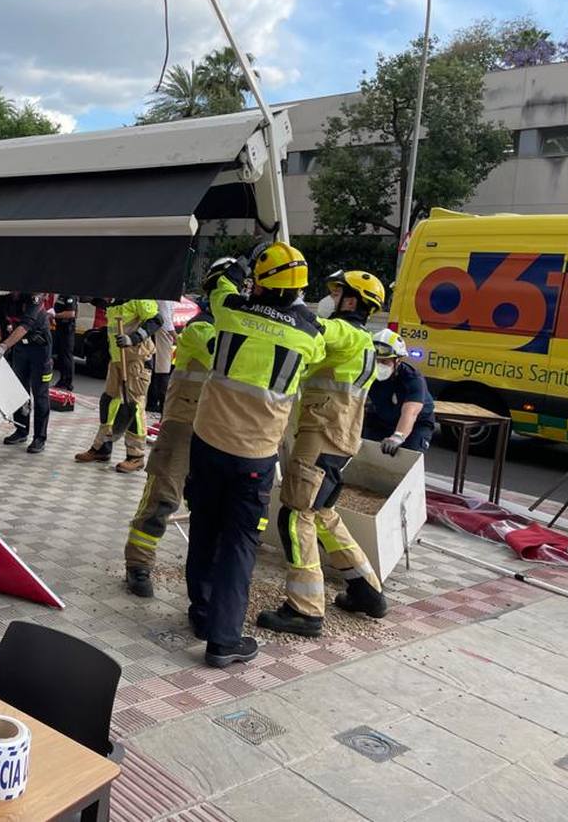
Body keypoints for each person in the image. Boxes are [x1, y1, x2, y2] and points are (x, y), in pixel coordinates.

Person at [185, 243, 368, 668]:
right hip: (255, 457)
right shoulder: (308, 334)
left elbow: (220, 287)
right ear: (300, 289)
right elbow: (337, 345)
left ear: (259, 285)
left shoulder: (229, 309)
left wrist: (238, 270)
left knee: (204, 527)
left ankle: (202, 613)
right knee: (239, 543)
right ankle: (224, 640)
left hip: (208, 443)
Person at [257, 270, 389, 638]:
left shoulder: (346, 333)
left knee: (294, 515)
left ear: (351, 301)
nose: (330, 297)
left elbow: (310, 326)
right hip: (338, 438)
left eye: (337, 292)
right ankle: (367, 590)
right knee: (321, 514)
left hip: (323, 436)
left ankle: (305, 610)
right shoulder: (363, 342)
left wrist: (286, 300)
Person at [123, 262, 230, 598]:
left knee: (207, 506)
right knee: (162, 498)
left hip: (216, 430)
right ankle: (139, 564)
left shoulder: (230, 331)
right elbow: (227, 361)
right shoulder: (203, 330)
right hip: (182, 428)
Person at [74, 297, 162, 473]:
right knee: (109, 402)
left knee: (133, 407)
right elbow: (102, 303)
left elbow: (157, 320)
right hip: (117, 360)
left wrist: (133, 338)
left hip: (136, 361)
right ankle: (102, 448)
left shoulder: (140, 297)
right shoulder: (116, 299)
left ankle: (135, 456)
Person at [0, 291, 54, 454]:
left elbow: (25, 325)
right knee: (19, 390)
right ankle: (21, 430)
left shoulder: (34, 296)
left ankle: (39, 438)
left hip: (40, 349)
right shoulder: (3, 297)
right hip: (20, 348)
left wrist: (3, 346)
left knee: (40, 393)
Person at [364, 328, 436, 455]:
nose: (379, 365)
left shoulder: (412, 379)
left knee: (407, 457)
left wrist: (398, 436)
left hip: (416, 425)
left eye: (384, 361)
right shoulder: (367, 373)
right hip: (380, 420)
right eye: (376, 360)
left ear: (397, 360)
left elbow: (411, 412)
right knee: (366, 452)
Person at [146, 299, 178, 413]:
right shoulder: (165, 298)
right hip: (162, 332)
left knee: (158, 370)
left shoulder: (164, 294)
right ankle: (161, 403)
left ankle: (153, 402)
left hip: (160, 332)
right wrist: (175, 336)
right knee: (162, 370)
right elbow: (166, 319)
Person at [52, 294, 78, 391]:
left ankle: (67, 382)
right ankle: (62, 380)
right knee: (61, 356)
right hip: (60, 328)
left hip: (67, 329)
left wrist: (54, 315)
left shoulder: (70, 295)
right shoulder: (61, 295)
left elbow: (71, 313)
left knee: (66, 356)